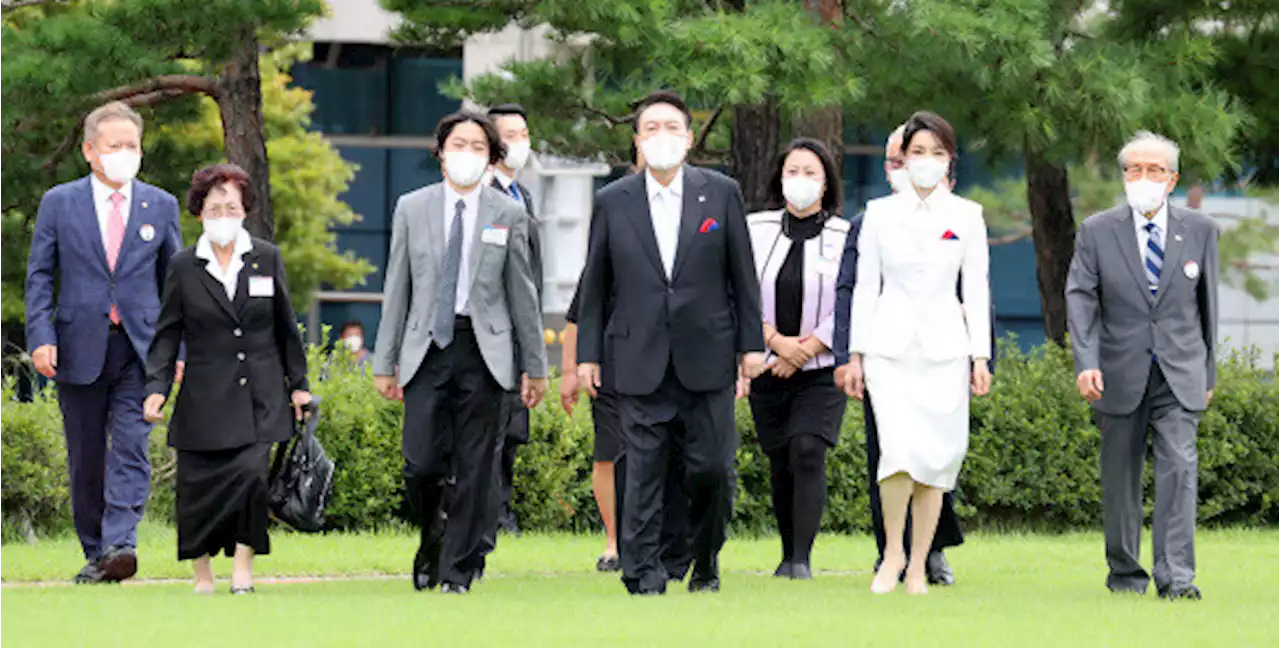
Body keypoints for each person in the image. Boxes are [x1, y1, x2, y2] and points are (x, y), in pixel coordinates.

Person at [575, 90, 768, 595]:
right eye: (651, 128)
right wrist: (587, 356)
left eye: (672, 128)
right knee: (642, 469)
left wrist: (751, 348)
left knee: (711, 470)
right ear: (637, 141)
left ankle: (702, 559)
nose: (662, 137)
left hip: (708, 355)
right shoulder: (613, 201)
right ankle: (643, 573)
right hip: (637, 356)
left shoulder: (720, 193)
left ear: (689, 138)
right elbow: (595, 283)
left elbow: (742, 276)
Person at [373, 111, 548, 595]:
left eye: (476, 146)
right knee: (421, 463)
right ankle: (432, 536)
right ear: (440, 151)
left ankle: (459, 567)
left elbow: (523, 294)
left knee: (476, 466)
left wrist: (536, 366)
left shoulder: (508, 213)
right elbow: (398, 286)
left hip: (484, 350)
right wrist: (384, 361)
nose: (465, 154)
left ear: (491, 157)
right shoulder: (412, 206)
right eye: (457, 144)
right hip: (427, 346)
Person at [24, 101, 183, 584]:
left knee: (132, 447)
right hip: (77, 344)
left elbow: (176, 285)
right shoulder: (59, 202)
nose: (125, 154)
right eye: (115, 146)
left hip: (142, 348)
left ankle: (122, 544)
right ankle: (97, 552)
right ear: (90, 151)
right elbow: (40, 275)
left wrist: (178, 351)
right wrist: (40, 336)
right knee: (87, 455)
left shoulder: (161, 204)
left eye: (132, 145)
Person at [142, 163, 311, 595]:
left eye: (231, 207)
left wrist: (299, 383)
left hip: (260, 393)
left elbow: (285, 326)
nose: (223, 215)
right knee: (196, 487)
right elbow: (167, 334)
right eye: (214, 207)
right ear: (199, 212)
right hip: (203, 397)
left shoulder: (266, 257)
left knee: (252, 481)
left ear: (244, 211)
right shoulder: (183, 265)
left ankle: (243, 569)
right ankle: (202, 575)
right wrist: (156, 389)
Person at [844, 111, 992, 595]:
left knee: (936, 459)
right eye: (917, 153)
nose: (926, 162)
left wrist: (979, 357)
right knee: (897, 457)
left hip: (946, 351)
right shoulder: (879, 214)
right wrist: (857, 355)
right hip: (889, 349)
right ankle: (892, 553)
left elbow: (975, 289)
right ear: (902, 160)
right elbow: (866, 287)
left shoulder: (966, 215)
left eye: (937, 153)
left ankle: (919, 564)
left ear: (950, 160)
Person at [1066, 131, 1218, 601]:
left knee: (1179, 469)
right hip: (1117, 369)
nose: (1144, 178)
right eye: (1135, 169)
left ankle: (1177, 577)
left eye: (1155, 170)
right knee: (1120, 478)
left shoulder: (1200, 230)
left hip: (1180, 370)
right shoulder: (1097, 230)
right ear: (1124, 176)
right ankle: (1126, 575)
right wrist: (1086, 362)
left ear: (1171, 180)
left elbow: (1208, 305)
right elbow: (1081, 299)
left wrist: (1208, 372)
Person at [745, 138, 851, 581]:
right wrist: (774, 342)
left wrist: (808, 347)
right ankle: (786, 555)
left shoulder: (846, 236)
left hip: (821, 369)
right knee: (779, 457)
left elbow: (849, 299)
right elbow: (742, 290)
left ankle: (803, 559)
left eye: (811, 172)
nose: (801, 181)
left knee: (807, 450)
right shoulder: (756, 228)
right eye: (793, 171)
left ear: (826, 183)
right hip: (769, 365)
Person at [482, 102, 544, 541]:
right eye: (510, 134)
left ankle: (502, 509)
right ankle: (490, 512)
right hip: (490, 331)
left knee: (512, 430)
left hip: (522, 328)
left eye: (524, 133)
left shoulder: (523, 195)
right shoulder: (484, 197)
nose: (519, 142)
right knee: (489, 429)